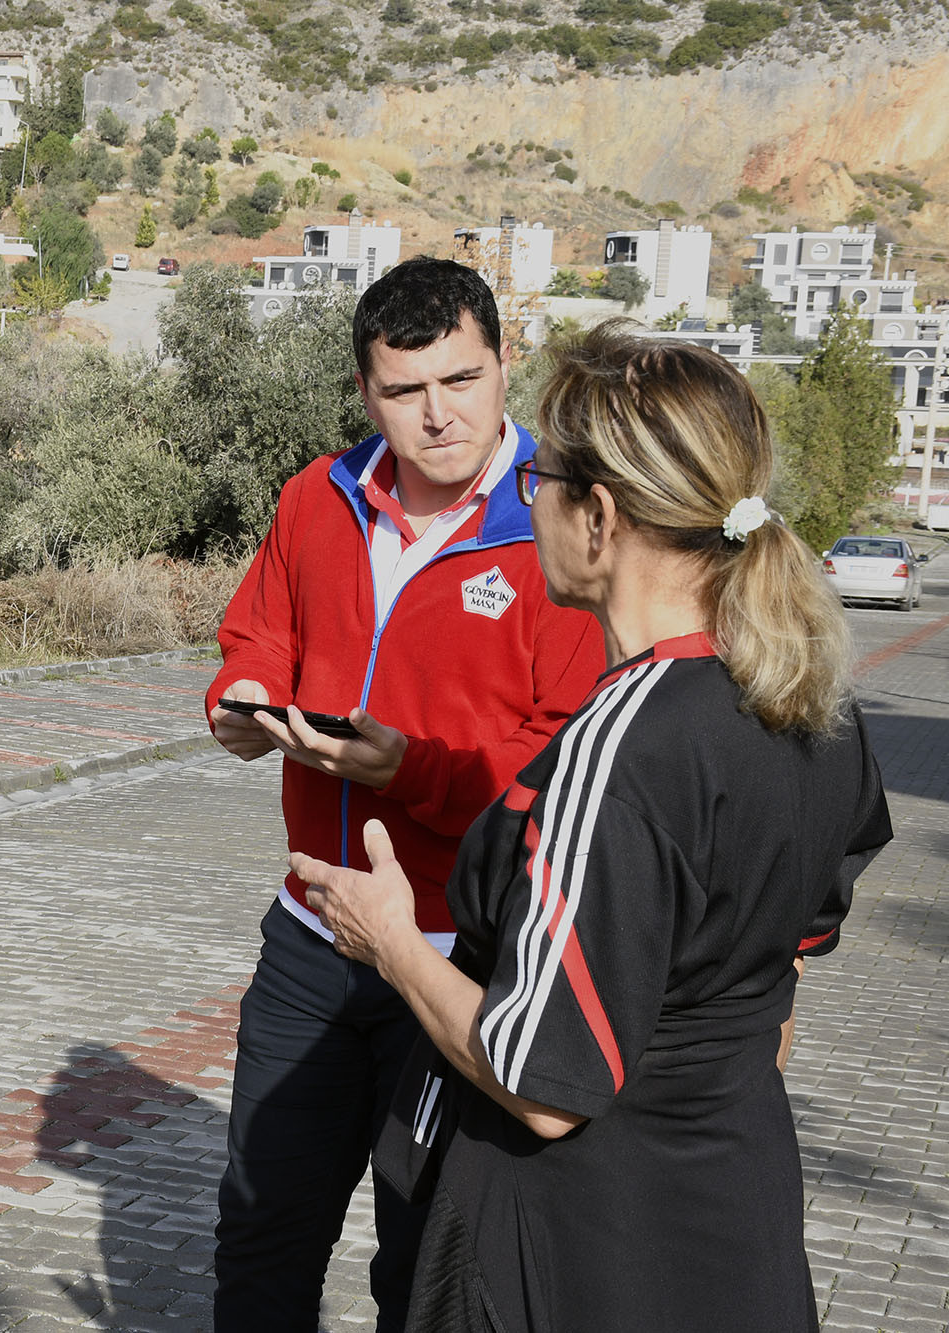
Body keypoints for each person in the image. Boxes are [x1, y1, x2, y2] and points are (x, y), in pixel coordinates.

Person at [293, 324, 893, 1332]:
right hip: (732, 1216)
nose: (527, 502)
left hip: (579, 1246)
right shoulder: (812, 705)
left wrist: (391, 939)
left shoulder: (620, 746)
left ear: (599, 516)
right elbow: (782, 974)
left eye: (539, 480)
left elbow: (544, 1083)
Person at [203, 257, 605, 1331]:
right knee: (259, 1236)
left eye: (461, 380)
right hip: (310, 937)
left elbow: (563, 756)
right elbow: (260, 633)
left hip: (461, 959)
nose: (437, 415)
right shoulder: (316, 495)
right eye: (404, 390)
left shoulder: (561, 522)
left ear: (504, 362)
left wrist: (407, 770)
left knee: (427, 1271)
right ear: (363, 389)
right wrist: (242, 696)